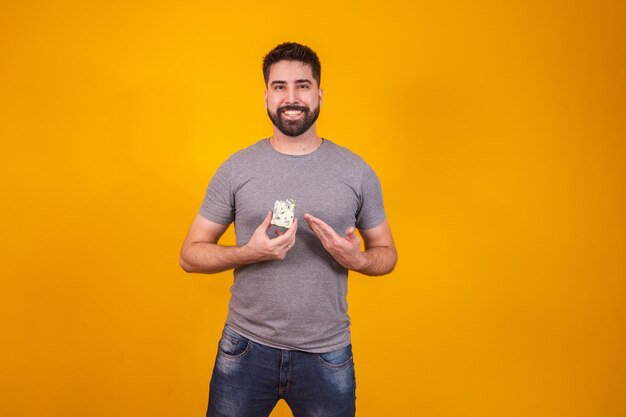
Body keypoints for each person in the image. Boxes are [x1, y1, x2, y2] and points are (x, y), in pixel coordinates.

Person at [180, 42, 398, 417]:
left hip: (327, 353)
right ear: (266, 95)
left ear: (319, 93)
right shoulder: (236, 168)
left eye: (302, 85)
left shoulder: (356, 172)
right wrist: (251, 252)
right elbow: (190, 254)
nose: (291, 97)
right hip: (245, 348)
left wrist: (357, 258)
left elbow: (387, 254)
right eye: (280, 86)